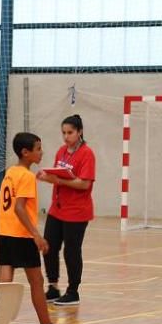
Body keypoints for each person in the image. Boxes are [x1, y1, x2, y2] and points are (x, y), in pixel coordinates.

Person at [0, 133, 74, 324]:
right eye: (38, 149)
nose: (42, 152)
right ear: (25, 152)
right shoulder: (27, 176)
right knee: (37, 281)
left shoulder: (10, 172)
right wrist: (36, 235)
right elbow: (19, 208)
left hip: (5, 231)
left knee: (4, 282)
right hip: (21, 234)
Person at [39, 114, 95, 307]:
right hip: (57, 209)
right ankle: (53, 287)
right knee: (48, 247)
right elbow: (56, 174)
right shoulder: (61, 151)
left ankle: (73, 291)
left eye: (70, 132)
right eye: (63, 132)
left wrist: (59, 181)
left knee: (71, 251)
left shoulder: (87, 153)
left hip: (77, 211)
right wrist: (46, 176)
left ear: (79, 132)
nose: (66, 136)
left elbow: (84, 183)